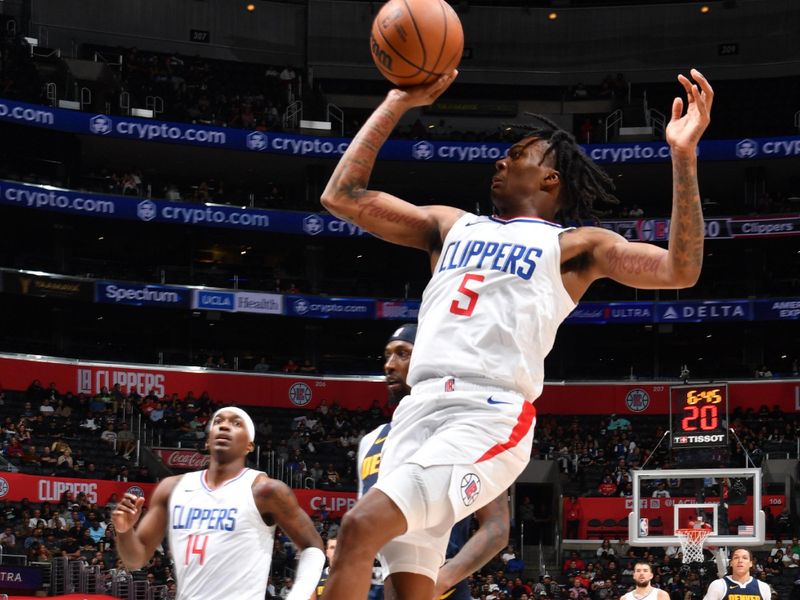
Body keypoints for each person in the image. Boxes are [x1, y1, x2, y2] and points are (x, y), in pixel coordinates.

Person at [319, 67, 713, 600]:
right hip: (417, 411)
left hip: (487, 414)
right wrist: (396, 100)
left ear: (551, 179)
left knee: (359, 528)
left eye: (519, 154)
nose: (501, 159)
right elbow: (341, 196)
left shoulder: (576, 246)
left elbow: (679, 268)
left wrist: (683, 156)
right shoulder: (449, 224)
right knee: (406, 586)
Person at [357, 324, 510, 600]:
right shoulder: (370, 441)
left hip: (437, 584)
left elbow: (496, 527)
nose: (390, 365)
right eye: (387, 356)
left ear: (428, 359)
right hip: (379, 585)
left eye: (403, 354)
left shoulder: (466, 429)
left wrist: (442, 580)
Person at [112, 406, 325, 600]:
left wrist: (297, 596)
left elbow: (313, 547)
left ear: (249, 445)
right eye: (218, 421)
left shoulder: (266, 490)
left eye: (236, 423)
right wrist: (124, 531)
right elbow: (135, 559)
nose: (224, 425)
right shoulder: (172, 488)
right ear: (207, 441)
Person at [702, 548, 771, 600]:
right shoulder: (718, 585)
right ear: (731, 563)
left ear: (750, 563)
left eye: (744, 558)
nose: (740, 561)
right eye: (736, 557)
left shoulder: (763, 587)